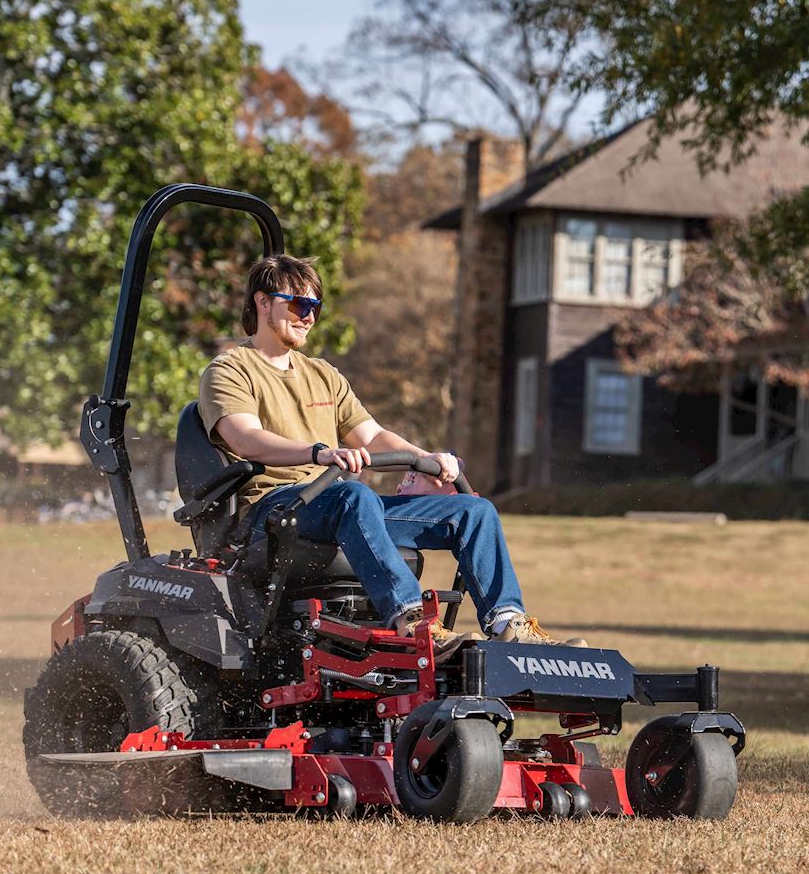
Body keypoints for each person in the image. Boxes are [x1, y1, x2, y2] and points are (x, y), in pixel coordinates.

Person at [197, 254, 583, 650]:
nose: (309, 317)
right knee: (355, 494)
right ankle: (410, 619)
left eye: (316, 307)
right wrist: (319, 453)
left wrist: (426, 459)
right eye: (299, 305)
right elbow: (244, 438)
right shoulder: (230, 370)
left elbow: (373, 435)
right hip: (275, 512)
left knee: (473, 511)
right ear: (263, 303)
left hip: (339, 506)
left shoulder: (323, 374)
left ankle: (509, 626)